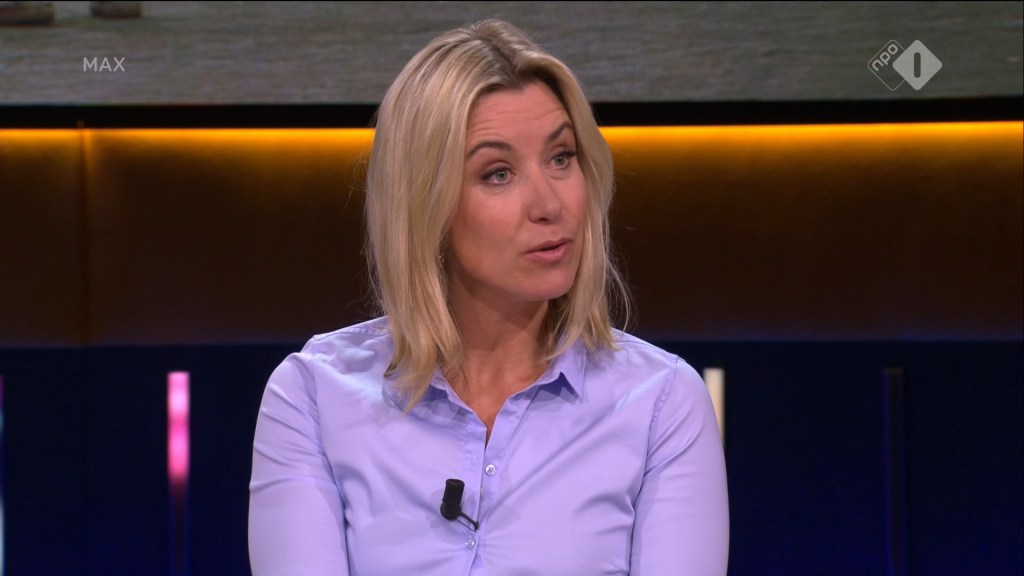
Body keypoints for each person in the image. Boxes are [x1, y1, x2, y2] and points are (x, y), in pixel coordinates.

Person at [248, 18, 729, 575]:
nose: (549, 205)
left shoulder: (660, 404)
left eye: (561, 157)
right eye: (498, 173)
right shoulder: (313, 397)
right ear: (425, 203)